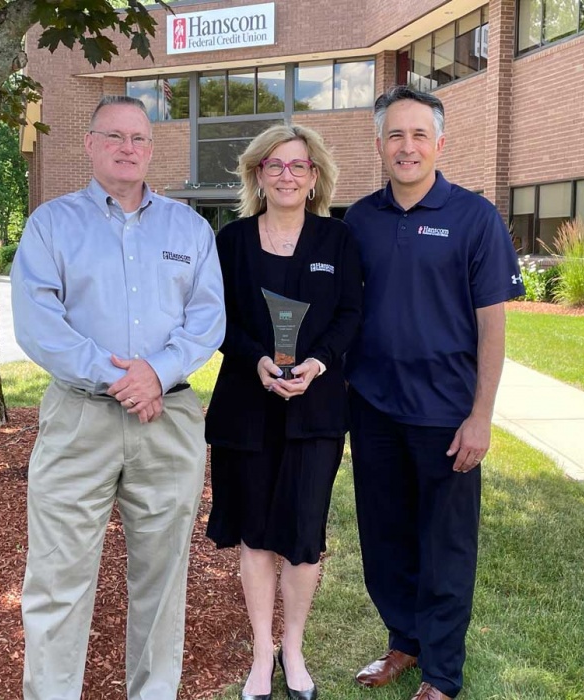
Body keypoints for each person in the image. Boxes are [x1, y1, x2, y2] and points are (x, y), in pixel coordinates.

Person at [11, 95, 225, 700]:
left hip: (169, 418)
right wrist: (120, 378)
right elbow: (39, 322)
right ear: (89, 143)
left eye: (139, 138)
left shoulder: (189, 227)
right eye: (115, 137)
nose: (128, 149)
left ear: (152, 149)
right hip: (81, 419)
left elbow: (208, 318)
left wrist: (156, 374)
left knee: (162, 579)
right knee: (58, 576)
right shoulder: (52, 224)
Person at [344, 86, 525, 700]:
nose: (407, 146)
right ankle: (404, 643)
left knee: (445, 547)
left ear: (440, 143)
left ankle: (443, 673)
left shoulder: (474, 217)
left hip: (446, 415)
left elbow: (492, 323)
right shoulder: (360, 220)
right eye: (395, 134)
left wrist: (481, 416)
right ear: (379, 146)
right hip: (373, 410)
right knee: (385, 537)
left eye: (419, 134)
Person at [204, 124, 362, 700]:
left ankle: (293, 647)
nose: (287, 175)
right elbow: (216, 319)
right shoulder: (233, 241)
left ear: (315, 176)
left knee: (302, 533)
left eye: (299, 166)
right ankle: (260, 653)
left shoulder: (337, 241)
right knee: (253, 534)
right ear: (258, 174)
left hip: (315, 410)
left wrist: (316, 363)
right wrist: (257, 362)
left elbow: (351, 315)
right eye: (275, 165)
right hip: (247, 406)